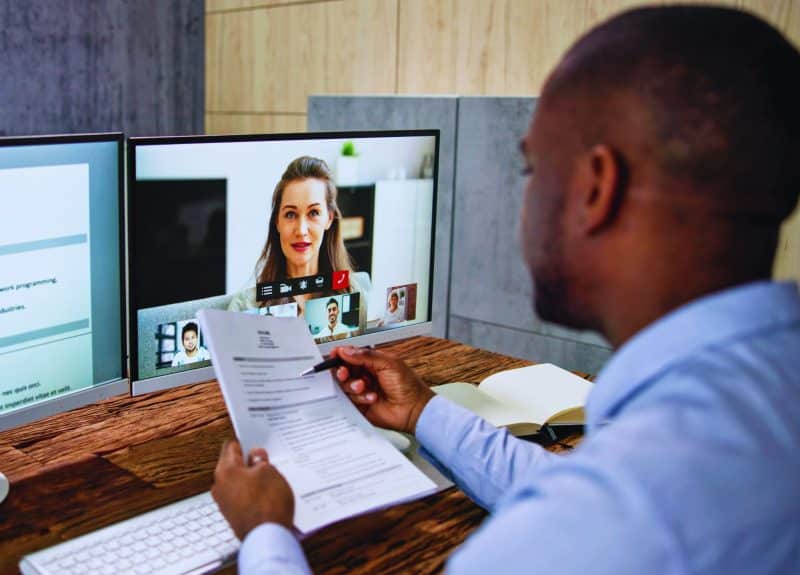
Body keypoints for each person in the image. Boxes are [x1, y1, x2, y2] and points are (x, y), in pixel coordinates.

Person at [211, 6, 800, 574]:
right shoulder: (762, 394)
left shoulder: (637, 509)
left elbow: (601, 518)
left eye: (531, 170)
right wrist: (422, 410)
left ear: (596, 188)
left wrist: (266, 535)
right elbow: (578, 497)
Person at [228, 156, 366, 323]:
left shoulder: (352, 293)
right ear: (277, 222)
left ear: (329, 219)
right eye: (290, 214)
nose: (301, 230)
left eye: (313, 213)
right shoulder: (245, 307)